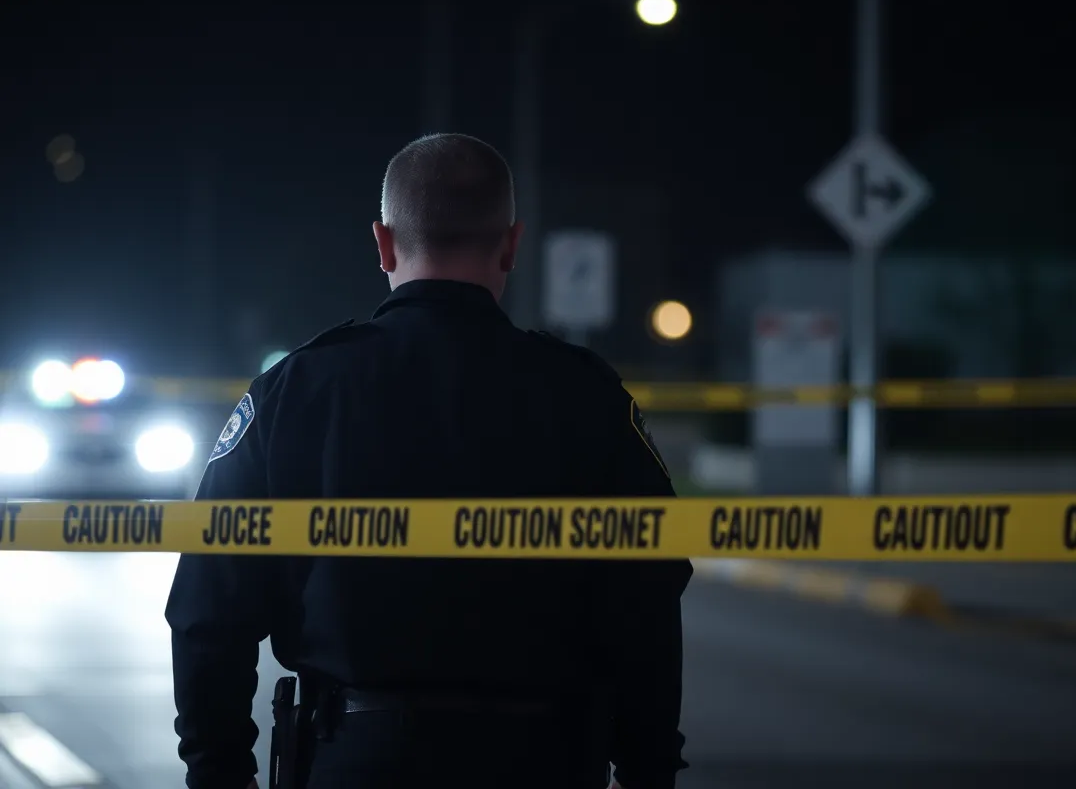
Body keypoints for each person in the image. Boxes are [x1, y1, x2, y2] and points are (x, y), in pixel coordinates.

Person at [165, 132, 693, 789]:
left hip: (355, 759)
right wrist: (650, 770)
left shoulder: (296, 391)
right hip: (543, 761)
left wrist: (217, 773)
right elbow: (646, 599)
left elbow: (208, 608)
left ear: (383, 243)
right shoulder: (587, 395)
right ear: (511, 244)